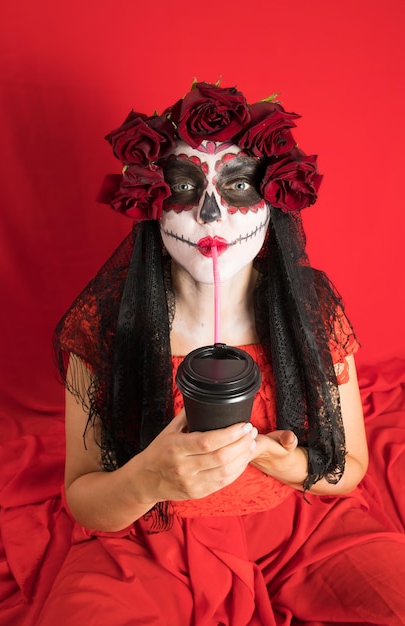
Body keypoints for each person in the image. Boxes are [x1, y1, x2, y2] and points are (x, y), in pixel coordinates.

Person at [40, 82, 405, 625]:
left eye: (238, 186)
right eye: (184, 188)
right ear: (151, 203)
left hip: (302, 532)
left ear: (275, 199)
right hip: (147, 543)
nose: (212, 215)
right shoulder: (108, 323)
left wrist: (287, 463)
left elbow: (349, 469)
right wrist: (149, 479)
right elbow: (85, 498)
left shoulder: (310, 311)